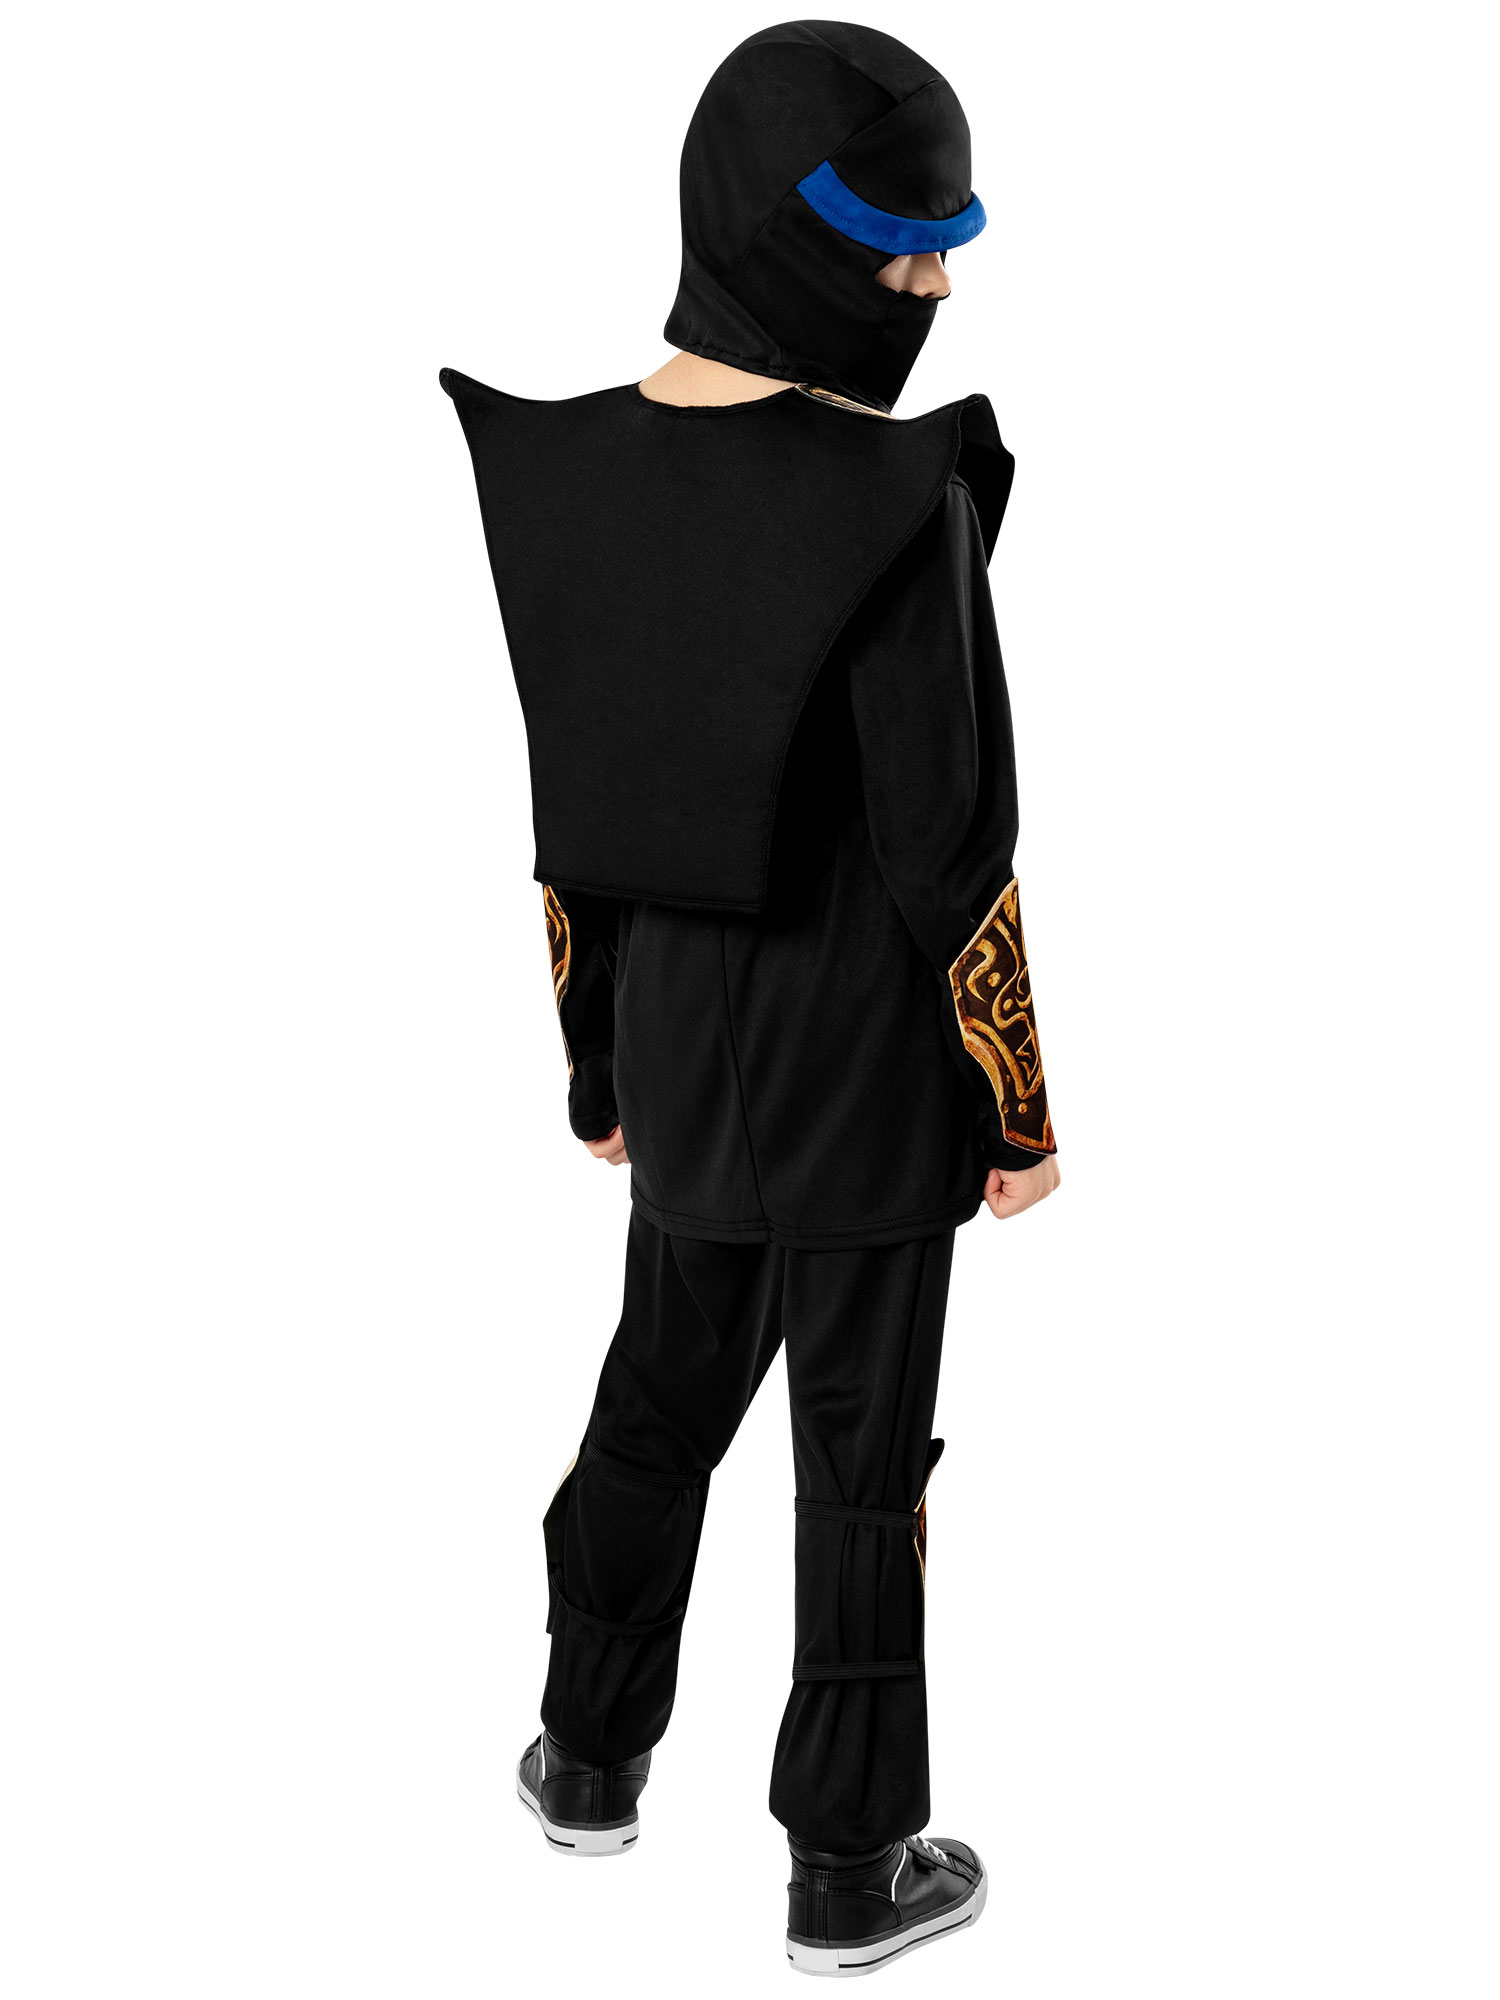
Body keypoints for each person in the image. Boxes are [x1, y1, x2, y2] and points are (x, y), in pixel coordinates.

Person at [440, 21, 1060, 1977]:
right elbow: (952, 848)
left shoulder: (568, 479)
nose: (937, 285)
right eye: (905, 245)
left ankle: (585, 1755)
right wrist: (1018, 1108)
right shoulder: (900, 498)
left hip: (681, 1055)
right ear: (791, 232)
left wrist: (595, 1069)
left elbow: (576, 828)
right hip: (870, 1066)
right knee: (860, 1475)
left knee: (656, 1401)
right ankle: (848, 1870)